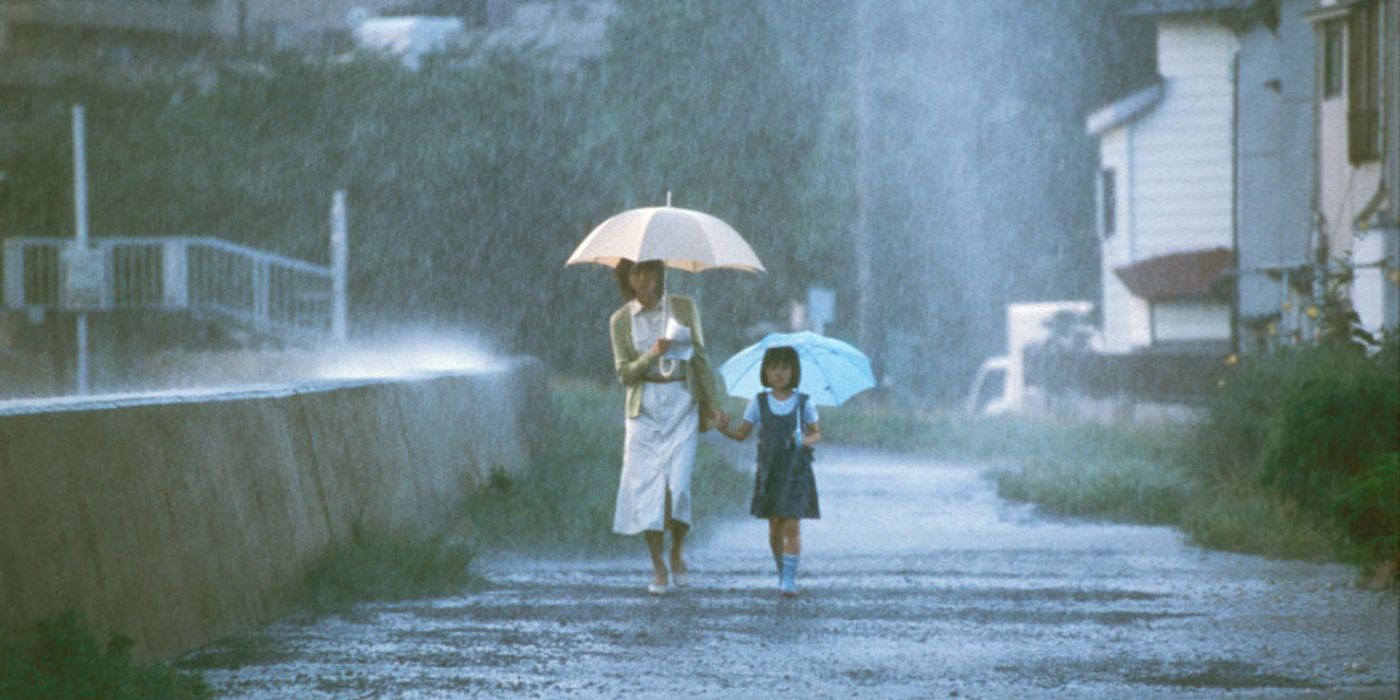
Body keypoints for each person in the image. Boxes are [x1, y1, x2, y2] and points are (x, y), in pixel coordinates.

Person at [609, 259, 725, 595]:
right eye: (635, 273)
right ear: (626, 278)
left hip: (681, 403)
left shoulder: (683, 308)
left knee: (680, 486)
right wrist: (651, 354)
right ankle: (657, 564)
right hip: (643, 411)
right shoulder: (620, 321)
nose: (643, 279)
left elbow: (700, 359)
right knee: (647, 491)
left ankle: (677, 551)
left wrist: (710, 406)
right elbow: (624, 374)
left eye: (649, 271)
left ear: (660, 274)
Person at [713, 346, 821, 597]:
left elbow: (816, 432)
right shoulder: (758, 402)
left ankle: (790, 581)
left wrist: (804, 440)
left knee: (792, 525)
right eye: (773, 368)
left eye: (785, 368)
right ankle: (782, 569)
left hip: (796, 472)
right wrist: (723, 429)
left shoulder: (804, 402)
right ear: (765, 371)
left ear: (794, 371)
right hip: (770, 472)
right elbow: (742, 433)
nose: (779, 373)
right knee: (775, 528)